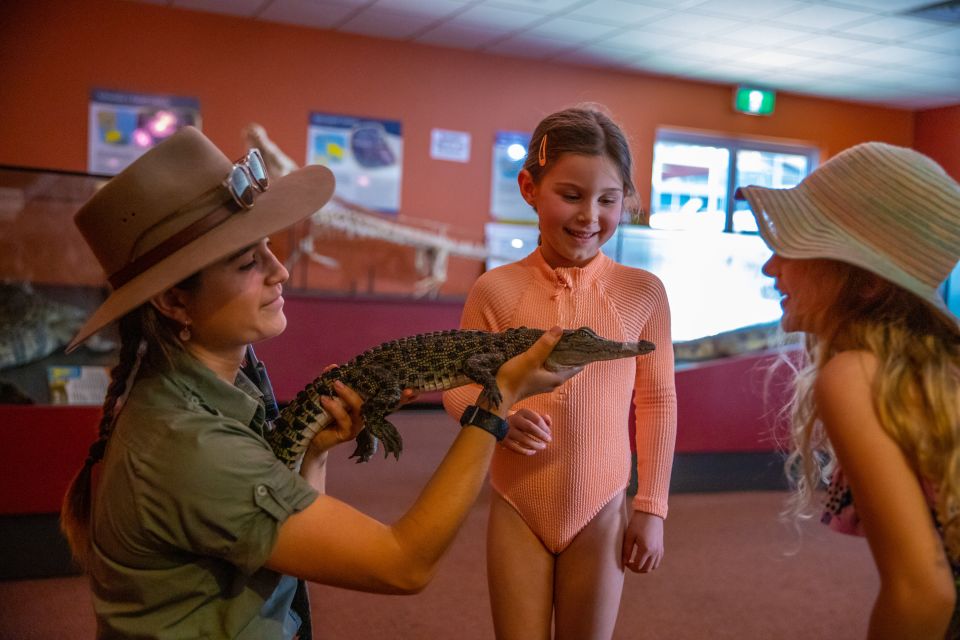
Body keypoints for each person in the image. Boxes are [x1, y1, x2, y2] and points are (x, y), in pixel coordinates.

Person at [59, 126, 583, 639]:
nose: (279, 270)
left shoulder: (223, 390)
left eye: (267, 246)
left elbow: (283, 554)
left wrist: (313, 455)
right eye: (247, 262)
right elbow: (402, 565)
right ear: (174, 302)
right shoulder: (187, 445)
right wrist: (496, 404)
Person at [443, 105, 677, 638]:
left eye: (608, 200)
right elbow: (457, 387)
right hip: (517, 503)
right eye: (570, 195)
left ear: (628, 201)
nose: (589, 216)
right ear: (529, 187)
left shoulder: (642, 293)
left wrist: (653, 507)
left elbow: (658, 400)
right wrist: (494, 416)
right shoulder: (495, 290)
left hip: (602, 504)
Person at [737, 142, 960, 638]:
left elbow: (923, 590)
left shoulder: (855, 374)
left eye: (796, 247)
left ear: (865, 284)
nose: (772, 267)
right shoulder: (930, 372)